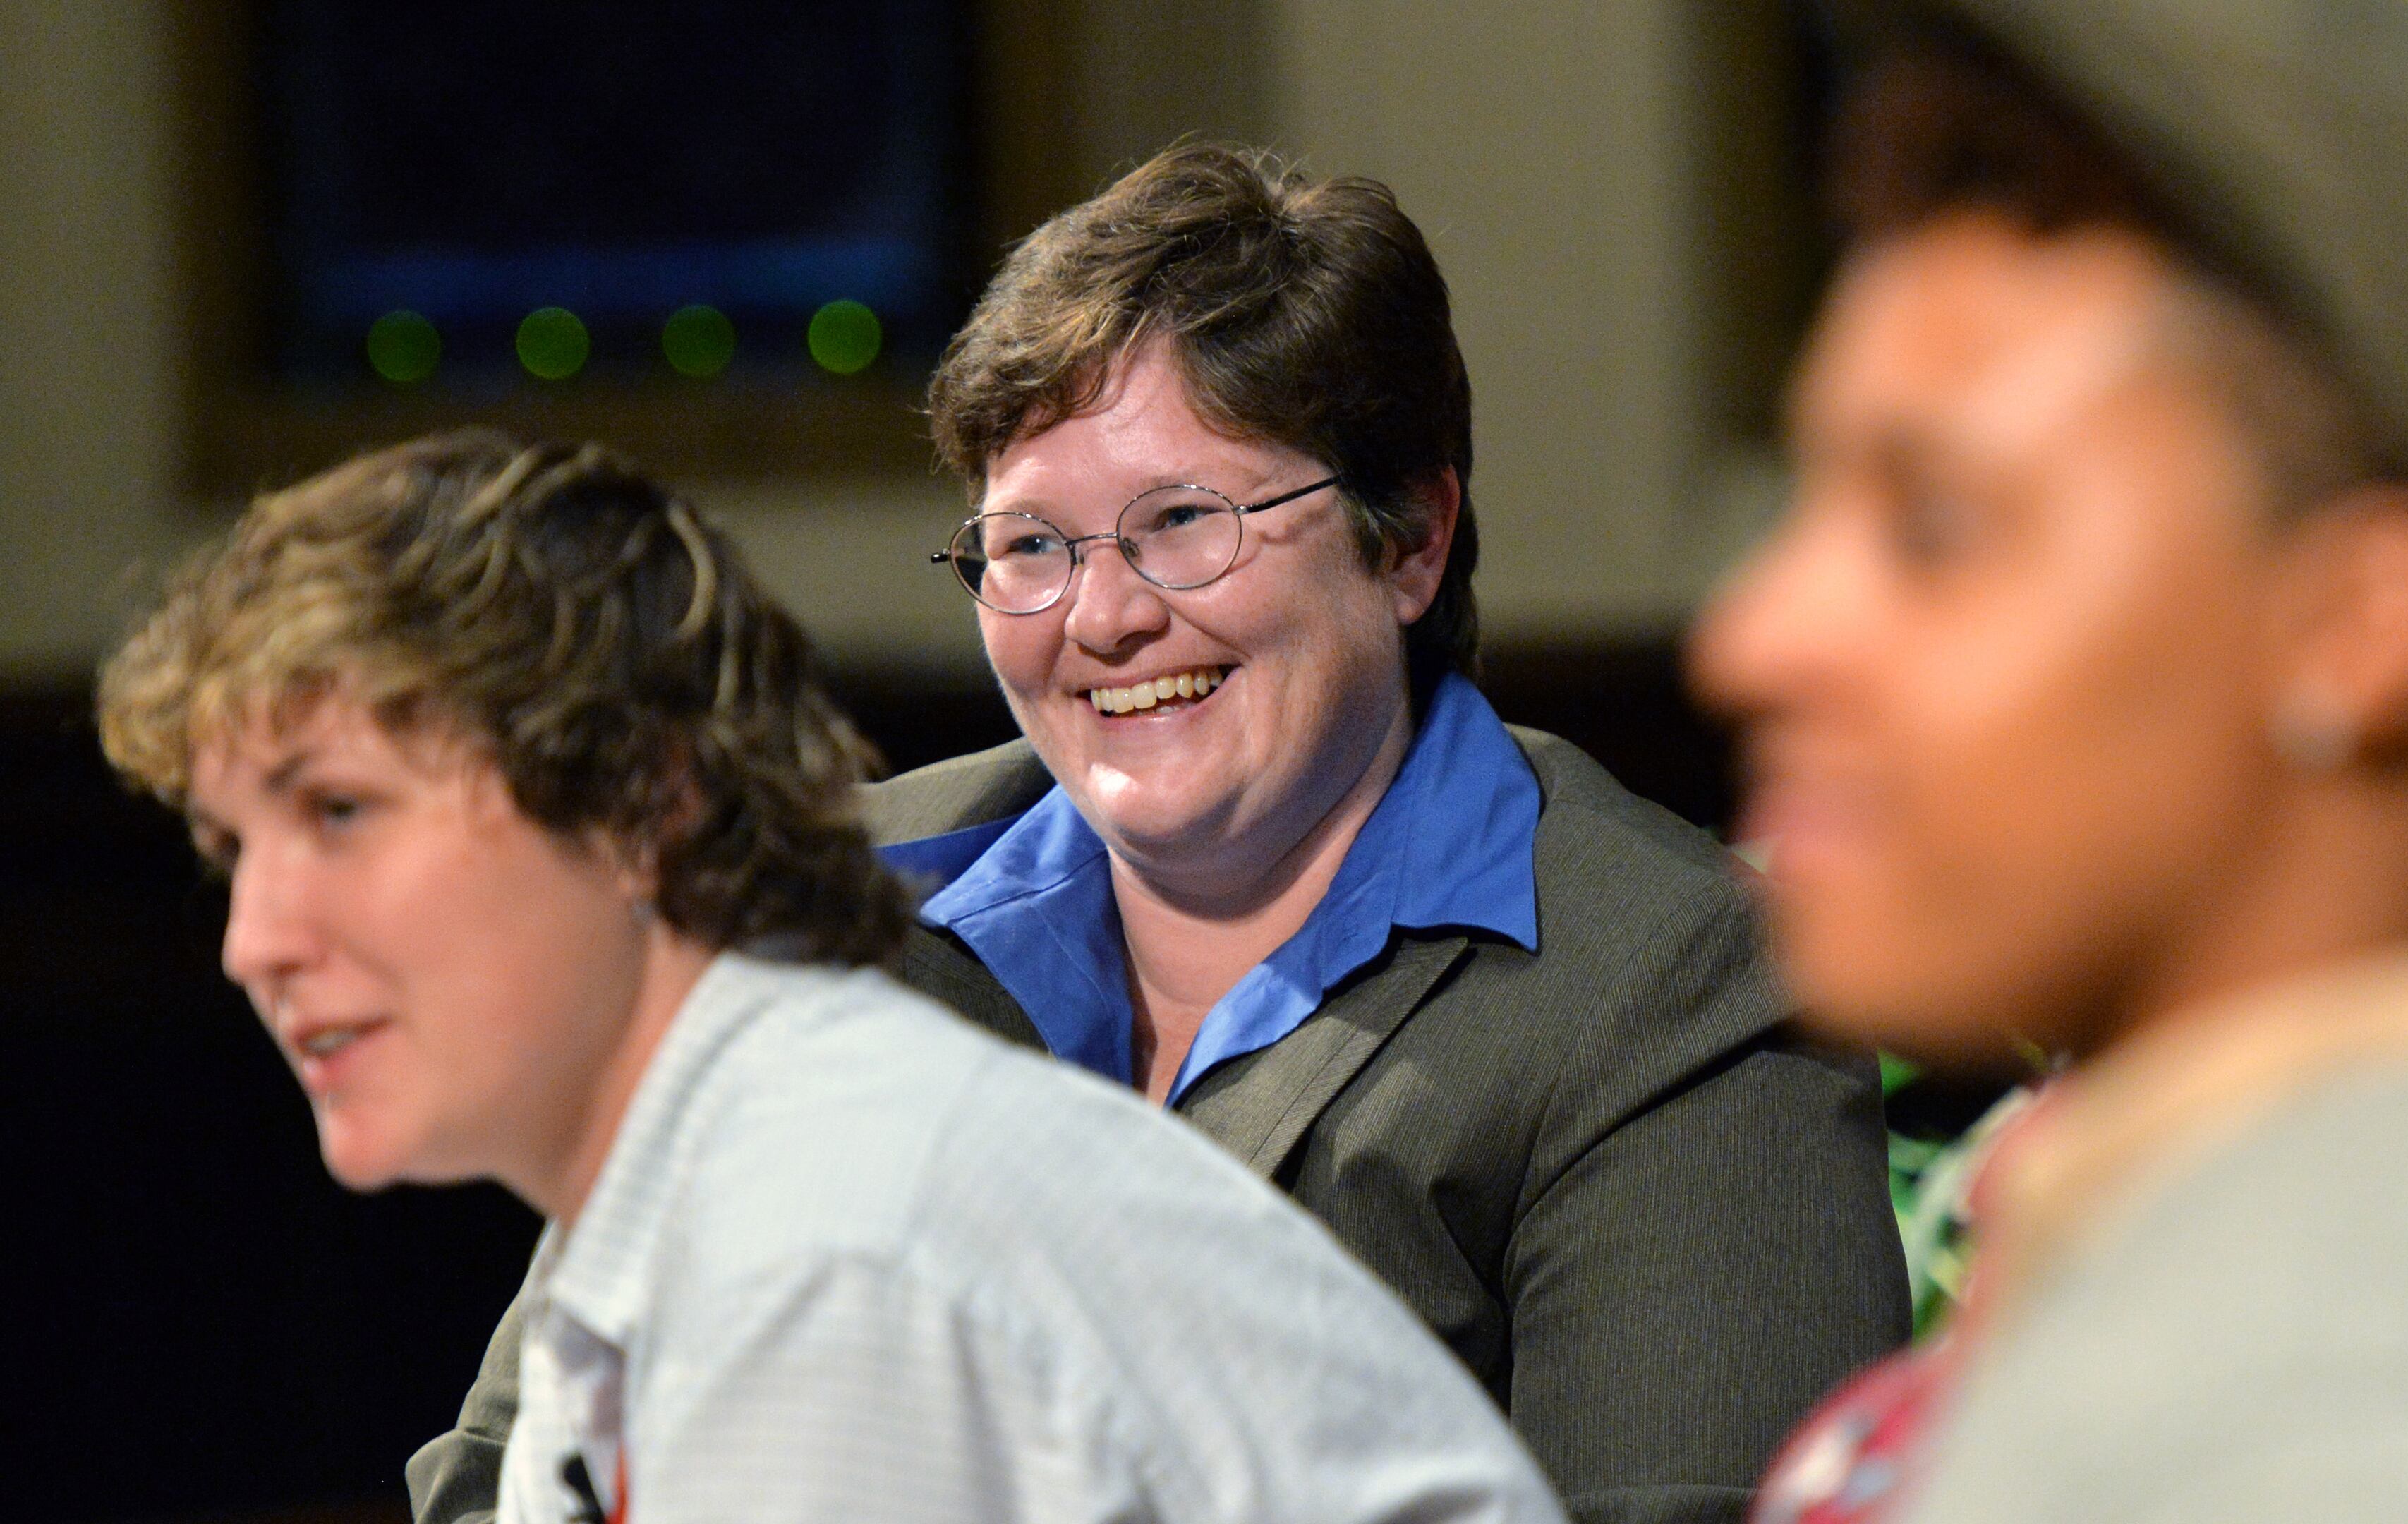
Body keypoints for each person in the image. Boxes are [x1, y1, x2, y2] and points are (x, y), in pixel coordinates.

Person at [410, 143, 1907, 1524]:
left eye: (1187, 521)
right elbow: (505, 1478)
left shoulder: (1669, 984)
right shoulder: (793, 918)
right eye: (1032, 548)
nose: (1109, 618)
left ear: (1411, 538)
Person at [99, 432, 1567, 1524]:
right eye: (236, 848)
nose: (257, 939)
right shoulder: (732, 1190)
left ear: (638, 802)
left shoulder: (823, 1241)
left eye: (341, 815)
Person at [1690, 1, 2408, 1520]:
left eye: (1936, 529)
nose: (1753, 636)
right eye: (1807, 495)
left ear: (2365, 623)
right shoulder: (2252, 1257)